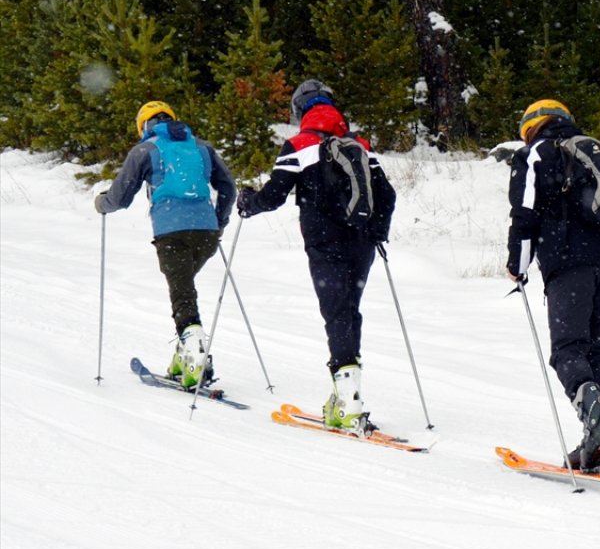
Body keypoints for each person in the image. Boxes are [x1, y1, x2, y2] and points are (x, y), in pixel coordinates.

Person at [237, 79, 395, 430]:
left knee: (335, 312)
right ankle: (347, 392)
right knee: (350, 310)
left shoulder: (299, 144)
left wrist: (249, 202)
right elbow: (388, 195)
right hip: (362, 242)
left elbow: (275, 195)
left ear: (300, 110)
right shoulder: (360, 145)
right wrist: (377, 232)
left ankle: (347, 401)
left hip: (324, 243)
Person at [505, 99, 600, 472]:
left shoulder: (537, 153)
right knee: (595, 353)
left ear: (531, 126)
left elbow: (524, 211)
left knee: (567, 351)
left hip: (568, 262)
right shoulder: (594, 153)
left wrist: (518, 263)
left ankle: (598, 426)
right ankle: (599, 448)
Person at [96, 101, 236, 390]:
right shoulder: (202, 146)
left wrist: (101, 203)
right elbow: (229, 187)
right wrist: (219, 221)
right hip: (207, 233)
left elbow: (121, 197)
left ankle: (196, 353)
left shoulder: (146, 150)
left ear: (144, 126)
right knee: (183, 289)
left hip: (172, 233)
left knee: (182, 293)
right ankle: (183, 354)